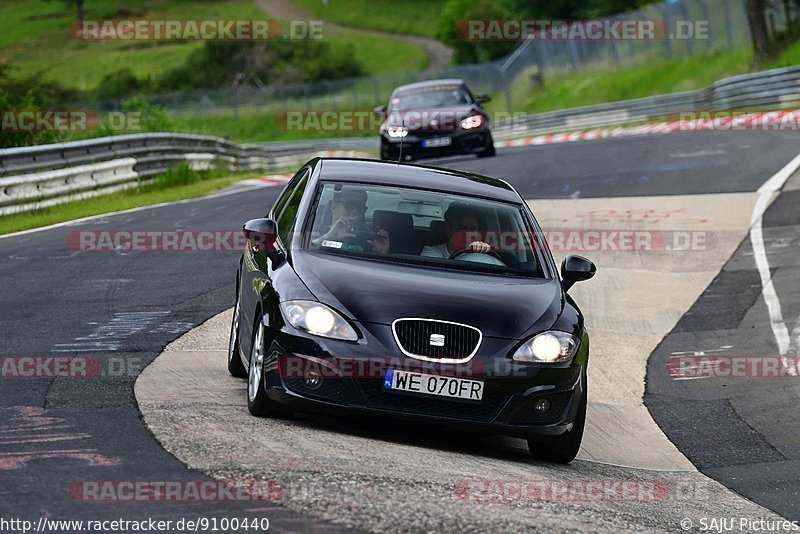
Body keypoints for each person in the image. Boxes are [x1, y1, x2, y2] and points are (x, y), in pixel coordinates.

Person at [313, 189, 390, 254]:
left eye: (360, 208)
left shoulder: (370, 239)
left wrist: (383, 253)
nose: (355, 212)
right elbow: (307, 250)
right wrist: (328, 236)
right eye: (349, 206)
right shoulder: (314, 230)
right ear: (334, 207)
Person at [421, 203, 492, 258]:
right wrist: (467, 252)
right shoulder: (431, 252)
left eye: (473, 229)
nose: (468, 234)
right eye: (462, 229)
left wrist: (483, 252)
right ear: (448, 231)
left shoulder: (481, 252)